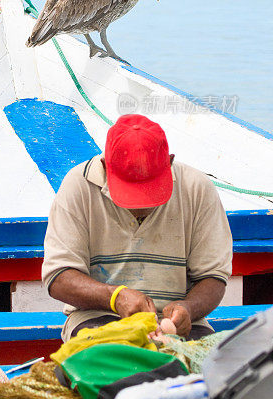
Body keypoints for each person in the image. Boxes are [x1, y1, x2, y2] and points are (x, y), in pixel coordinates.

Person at [42, 114, 232, 341]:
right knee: (110, 366)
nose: (140, 206)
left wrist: (188, 309)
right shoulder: (78, 186)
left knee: (213, 368)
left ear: (169, 162)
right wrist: (115, 297)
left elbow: (213, 277)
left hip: (181, 326)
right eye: (131, 193)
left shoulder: (197, 188)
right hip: (97, 318)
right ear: (105, 166)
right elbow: (59, 277)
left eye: (149, 191)